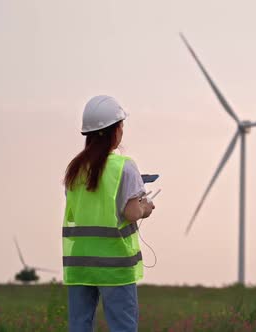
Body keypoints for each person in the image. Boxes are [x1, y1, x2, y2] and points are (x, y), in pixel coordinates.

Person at [62, 95, 155, 332]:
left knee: (79, 326)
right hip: (115, 265)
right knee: (123, 327)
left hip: (80, 263)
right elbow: (132, 213)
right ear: (113, 131)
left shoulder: (74, 169)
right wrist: (146, 206)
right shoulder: (125, 166)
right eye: (121, 126)